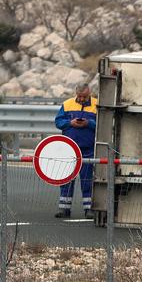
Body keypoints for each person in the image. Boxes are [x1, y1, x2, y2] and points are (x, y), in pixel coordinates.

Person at [53, 83, 97, 217]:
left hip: (87, 149)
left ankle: (89, 209)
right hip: (68, 149)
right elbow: (58, 122)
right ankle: (64, 209)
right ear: (76, 93)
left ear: (89, 93)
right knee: (66, 178)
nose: (82, 99)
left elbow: (103, 124)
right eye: (79, 96)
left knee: (87, 180)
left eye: (84, 97)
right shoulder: (67, 104)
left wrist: (88, 123)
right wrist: (70, 123)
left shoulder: (97, 104)